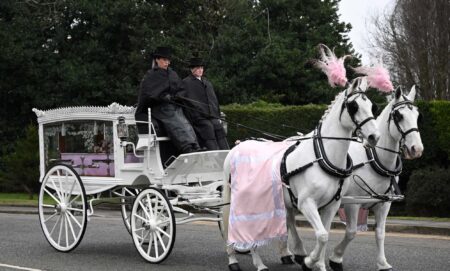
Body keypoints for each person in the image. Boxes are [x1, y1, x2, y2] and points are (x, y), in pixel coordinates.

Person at [134, 46, 201, 153]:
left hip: (173, 105)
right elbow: (148, 94)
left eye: (168, 60)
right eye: (164, 60)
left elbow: (181, 89)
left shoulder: (172, 74)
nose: (167, 63)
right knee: (174, 119)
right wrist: (162, 97)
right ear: (157, 60)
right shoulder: (150, 75)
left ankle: (195, 145)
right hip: (158, 107)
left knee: (184, 118)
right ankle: (187, 147)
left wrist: (177, 97)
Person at [181, 57, 229, 150]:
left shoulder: (207, 82)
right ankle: (214, 154)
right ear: (192, 69)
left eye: (202, 68)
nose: (200, 70)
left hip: (212, 116)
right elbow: (187, 102)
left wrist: (217, 115)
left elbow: (214, 100)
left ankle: (226, 153)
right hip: (198, 117)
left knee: (218, 127)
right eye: (198, 68)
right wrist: (198, 113)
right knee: (208, 128)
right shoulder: (186, 83)